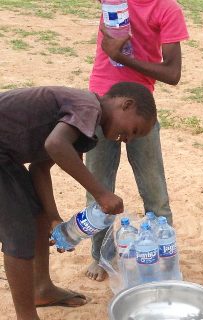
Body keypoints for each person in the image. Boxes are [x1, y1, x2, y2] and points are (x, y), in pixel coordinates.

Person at [0, 82, 157, 320]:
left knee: (38, 214)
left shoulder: (86, 128)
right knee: (19, 231)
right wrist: (102, 194)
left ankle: (41, 288)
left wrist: (53, 218)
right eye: (133, 130)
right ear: (126, 105)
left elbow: (40, 168)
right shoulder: (88, 106)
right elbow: (55, 145)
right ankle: (26, 316)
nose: (127, 139)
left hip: (6, 155)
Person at [85, 0, 189, 281]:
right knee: (98, 184)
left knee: (153, 185)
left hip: (139, 111)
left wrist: (122, 56)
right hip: (102, 103)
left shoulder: (167, 9)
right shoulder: (115, 1)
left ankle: (164, 252)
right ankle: (100, 255)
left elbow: (172, 73)